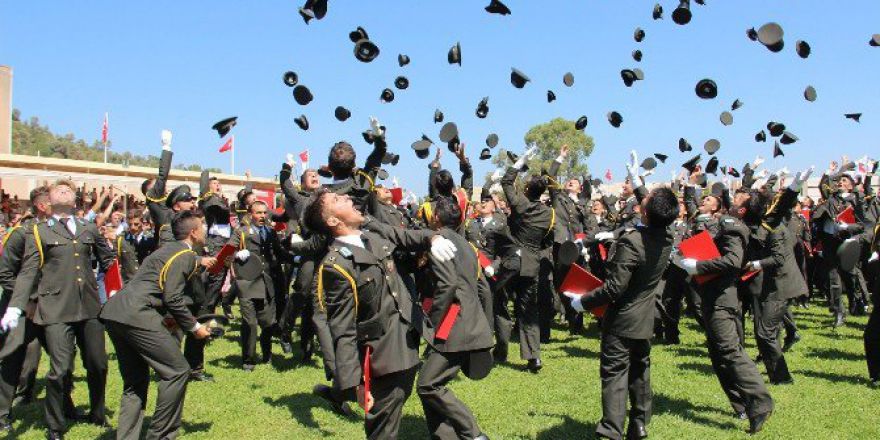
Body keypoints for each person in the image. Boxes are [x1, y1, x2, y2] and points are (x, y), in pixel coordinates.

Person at [302, 189, 457, 439]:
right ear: (332, 221)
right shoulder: (336, 266)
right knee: (383, 429)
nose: (348, 199)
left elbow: (403, 236)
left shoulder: (371, 236)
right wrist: (356, 384)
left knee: (401, 401)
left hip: (407, 340)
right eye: (337, 200)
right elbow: (342, 330)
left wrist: (432, 239)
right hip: (383, 357)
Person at [677, 168, 812, 435]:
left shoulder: (739, 227)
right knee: (719, 353)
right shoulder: (733, 222)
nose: (735, 196)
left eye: (740, 198)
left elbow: (732, 259)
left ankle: (760, 402)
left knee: (730, 351)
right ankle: (740, 404)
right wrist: (691, 185)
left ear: (743, 210)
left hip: (724, 296)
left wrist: (697, 266)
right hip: (715, 293)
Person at [564, 152, 680, 440]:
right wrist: (638, 178)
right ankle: (639, 423)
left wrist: (582, 302)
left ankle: (611, 431)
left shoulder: (634, 241)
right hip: (645, 317)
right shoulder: (666, 236)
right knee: (640, 369)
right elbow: (656, 210)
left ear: (644, 212)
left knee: (615, 374)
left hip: (622, 318)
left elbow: (614, 287)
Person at [4, 179, 116, 439]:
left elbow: (108, 261)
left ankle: (97, 412)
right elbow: (29, 271)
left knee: (98, 363)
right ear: (48, 202)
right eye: (58, 189)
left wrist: (115, 287)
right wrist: (18, 305)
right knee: (60, 370)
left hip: (88, 307)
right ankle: (55, 426)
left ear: (75, 200)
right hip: (55, 308)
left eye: (69, 189)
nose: (64, 191)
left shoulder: (89, 228)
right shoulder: (38, 231)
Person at [99, 211, 213, 440]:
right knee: (177, 370)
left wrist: (170, 320)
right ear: (193, 232)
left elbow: (158, 288)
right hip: (137, 313)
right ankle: (161, 435)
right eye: (203, 226)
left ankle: (127, 436)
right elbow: (173, 297)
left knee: (135, 382)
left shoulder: (166, 250)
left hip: (115, 312)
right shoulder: (187, 255)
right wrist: (194, 327)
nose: (206, 230)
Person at [415, 197, 494, 440]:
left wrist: (433, 323)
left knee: (428, 385)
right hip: (468, 319)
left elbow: (447, 285)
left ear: (436, 218)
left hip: (453, 323)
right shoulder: (466, 243)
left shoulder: (440, 243)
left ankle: (473, 434)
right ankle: (444, 436)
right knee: (431, 380)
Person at [496, 146, 554, 373]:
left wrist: (520, 161)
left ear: (528, 188)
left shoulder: (520, 204)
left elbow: (506, 181)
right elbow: (547, 240)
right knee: (528, 311)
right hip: (531, 263)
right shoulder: (549, 214)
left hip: (510, 260)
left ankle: (500, 349)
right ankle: (534, 357)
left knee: (498, 302)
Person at [227, 200, 287, 371]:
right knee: (250, 323)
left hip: (266, 281)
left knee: (268, 322)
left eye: (264, 213)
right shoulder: (241, 232)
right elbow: (227, 253)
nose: (262, 216)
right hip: (247, 282)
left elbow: (279, 252)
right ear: (250, 214)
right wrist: (238, 254)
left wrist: (296, 258)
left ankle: (267, 354)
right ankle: (248, 359)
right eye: (258, 213)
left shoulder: (270, 231)